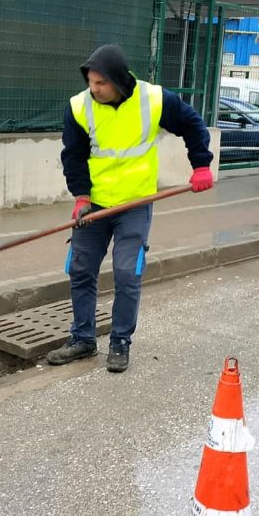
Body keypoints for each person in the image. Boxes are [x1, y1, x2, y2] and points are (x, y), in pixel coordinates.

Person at [46, 44, 214, 373]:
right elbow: (74, 156)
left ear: (118, 80)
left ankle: (120, 341)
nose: (93, 89)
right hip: (94, 206)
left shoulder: (153, 100)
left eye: (100, 83)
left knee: (127, 273)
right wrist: (80, 196)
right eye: (90, 82)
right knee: (80, 270)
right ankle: (82, 338)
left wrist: (202, 165)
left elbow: (192, 124)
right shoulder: (80, 108)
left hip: (135, 204)